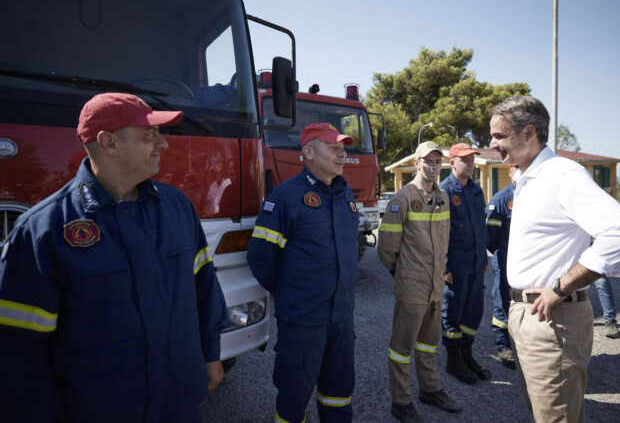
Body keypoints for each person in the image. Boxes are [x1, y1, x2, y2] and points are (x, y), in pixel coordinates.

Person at [0, 93, 230, 422]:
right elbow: (19, 352)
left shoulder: (177, 207)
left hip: (179, 406)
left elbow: (203, 286)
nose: (162, 145)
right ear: (109, 143)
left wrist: (210, 353)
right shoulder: (42, 231)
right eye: (149, 135)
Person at [489, 95, 620, 422]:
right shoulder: (529, 177)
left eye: (500, 136)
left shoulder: (561, 175)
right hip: (528, 315)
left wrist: (560, 287)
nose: (493, 144)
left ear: (529, 134)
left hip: (552, 320)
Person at [247, 123, 359, 423]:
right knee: (293, 398)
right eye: (333, 147)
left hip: (341, 318)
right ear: (308, 152)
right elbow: (261, 257)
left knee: (338, 394)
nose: (342, 153)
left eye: (343, 147)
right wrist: (290, 293)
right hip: (303, 320)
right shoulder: (285, 197)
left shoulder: (344, 192)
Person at [378, 141, 462, 422]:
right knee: (401, 348)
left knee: (428, 344)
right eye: (428, 161)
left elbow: (445, 240)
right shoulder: (402, 199)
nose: (433, 166)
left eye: (438, 162)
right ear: (416, 163)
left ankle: (430, 390)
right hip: (412, 286)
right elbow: (386, 249)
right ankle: (401, 402)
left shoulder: (443, 198)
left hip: (435, 286)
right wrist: (402, 273)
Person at [439, 143, 491, 385]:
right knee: (453, 312)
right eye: (465, 160)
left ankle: (467, 355)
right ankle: (454, 360)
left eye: (472, 160)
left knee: (473, 312)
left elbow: (480, 227)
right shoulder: (444, 192)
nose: (470, 164)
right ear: (452, 163)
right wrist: (444, 266)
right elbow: (439, 233)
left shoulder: (476, 190)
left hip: (476, 266)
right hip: (455, 267)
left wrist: (483, 259)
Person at [485, 164, 518, 369]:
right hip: (505, 262)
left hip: (529, 265)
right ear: (509, 171)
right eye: (517, 168)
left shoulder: (536, 195)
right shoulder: (500, 200)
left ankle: (522, 345)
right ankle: (503, 346)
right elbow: (491, 240)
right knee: (502, 302)